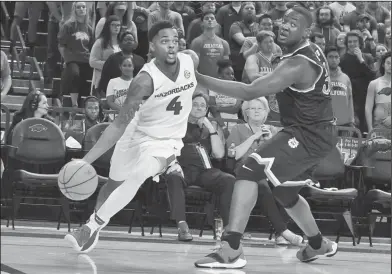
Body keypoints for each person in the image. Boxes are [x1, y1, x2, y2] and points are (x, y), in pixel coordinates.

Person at [194, 7, 338, 268]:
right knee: (285, 194)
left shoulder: (298, 63)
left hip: (308, 134)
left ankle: (231, 248)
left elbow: (250, 91)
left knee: (249, 169)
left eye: (293, 23)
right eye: (284, 20)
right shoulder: (307, 51)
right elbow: (268, 80)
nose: (284, 25)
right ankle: (318, 244)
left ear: (307, 31)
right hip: (315, 131)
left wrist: (198, 78)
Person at [64, 21, 199, 253]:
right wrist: (86, 161)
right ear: (152, 47)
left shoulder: (190, 60)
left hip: (166, 142)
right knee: (114, 183)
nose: (171, 45)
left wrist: (240, 89)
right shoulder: (143, 81)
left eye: (175, 40)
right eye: (164, 41)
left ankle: (89, 226)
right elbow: (117, 126)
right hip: (136, 131)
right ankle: (96, 227)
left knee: (138, 174)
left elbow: (199, 79)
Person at [227, 98, 303, 246]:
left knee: (285, 186)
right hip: (246, 170)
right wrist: (254, 137)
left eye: (260, 109)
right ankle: (283, 231)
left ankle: (279, 234)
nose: (256, 111)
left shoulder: (273, 131)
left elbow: (281, 158)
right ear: (246, 113)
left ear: (266, 113)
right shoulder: (238, 129)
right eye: (252, 108)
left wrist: (270, 142)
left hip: (269, 171)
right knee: (261, 184)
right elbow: (235, 154)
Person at [326, 47, 355, 128]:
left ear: (339, 59)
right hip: (326, 123)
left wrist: (351, 120)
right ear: (326, 59)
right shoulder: (321, 77)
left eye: (336, 57)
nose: (334, 59)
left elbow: (350, 100)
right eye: (331, 57)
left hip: (344, 123)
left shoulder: (345, 78)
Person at [365, 51, 391, 137]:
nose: (390, 65)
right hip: (379, 125)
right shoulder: (374, 83)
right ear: (383, 64)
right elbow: (368, 107)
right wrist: (370, 129)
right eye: (388, 63)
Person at [106, 56, 134, 121]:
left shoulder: (136, 82)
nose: (127, 68)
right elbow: (110, 102)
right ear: (120, 67)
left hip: (132, 118)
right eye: (124, 65)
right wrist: (123, 110)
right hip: (115, 118)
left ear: (133, 67)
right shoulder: (112, 82)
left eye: (129, 65)